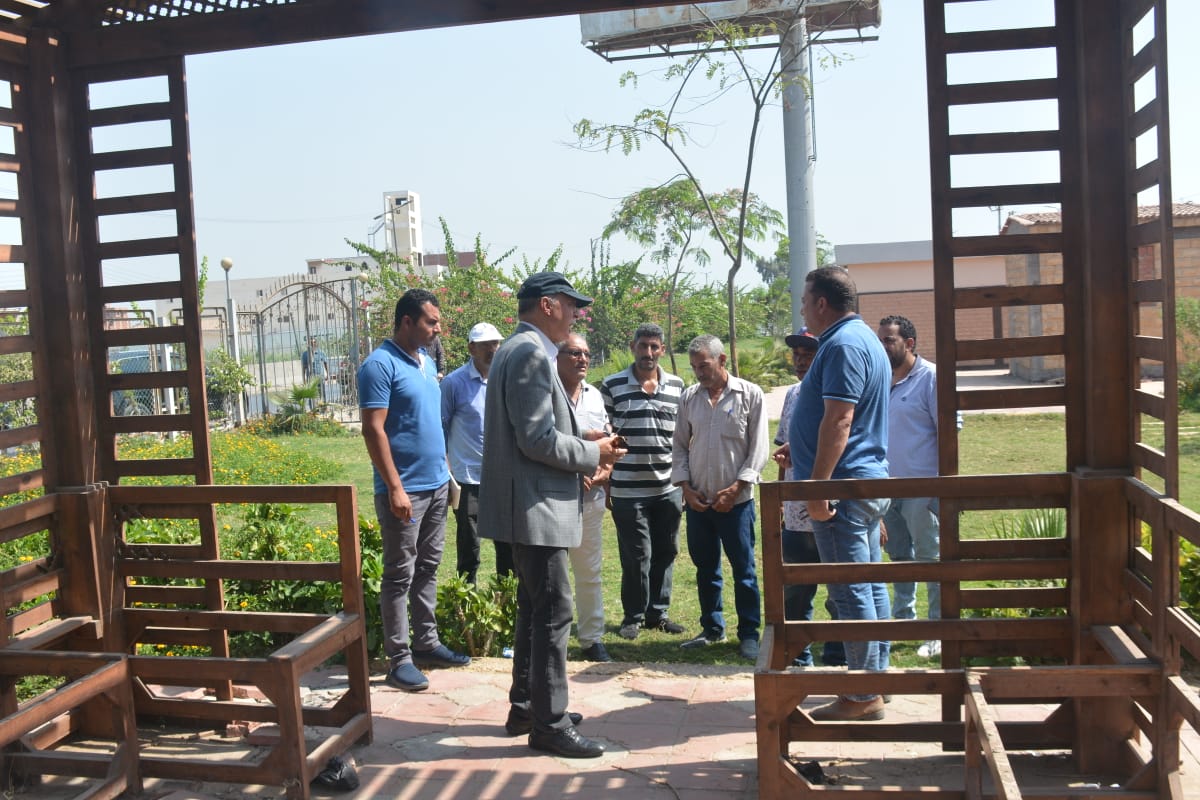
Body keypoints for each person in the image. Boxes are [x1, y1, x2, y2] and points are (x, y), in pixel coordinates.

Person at [478, 271, 624, 758]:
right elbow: (536, 440)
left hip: (528, 505)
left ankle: (528, 705)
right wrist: (594, 453)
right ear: (546, 305)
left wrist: (585, 440)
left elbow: (533, 431)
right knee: (555, 610)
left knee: (535, 608)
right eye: (570, 304)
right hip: (534, 508)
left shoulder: (519, 349)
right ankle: (550, 723)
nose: (576, 313)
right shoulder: (529, 353)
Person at [783, 266, 891, 722]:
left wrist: (817, 486)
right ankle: (877, 681)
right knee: (868, 585)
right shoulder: (861, 339)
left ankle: (862, 693)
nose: (803, 310)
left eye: (805, 301)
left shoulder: (843, 344)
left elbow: (841, 419)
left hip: (842, 487)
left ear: (822, 303)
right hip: (859, 481)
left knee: (850, 590)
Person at [358, 288, 471, 694]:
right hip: (405, 492)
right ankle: (399, 660)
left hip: (437, 485)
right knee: (399, 574)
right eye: (431, 322)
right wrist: (395, 488)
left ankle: (426, 644)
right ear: (407, 321)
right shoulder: (379, 365)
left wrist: (445, 470)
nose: (438, 329)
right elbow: (373, 429)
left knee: (428, 568)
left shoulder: (426, 361)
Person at [671, 334, 768, 662]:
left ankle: (749, 633)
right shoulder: (689, 397)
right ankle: (712, 628)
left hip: (736, 504)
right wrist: (685, 488)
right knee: (706, 568)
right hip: (699, 502)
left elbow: (758, 449)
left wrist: (737, 488)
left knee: (744, 570)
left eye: (704, 366)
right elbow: (679, 446)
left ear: (722, 360)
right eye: (695, 367)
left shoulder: (749, 394)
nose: (699, 373)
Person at [599, 323, 687, 642]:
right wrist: (607, 483)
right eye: (643, 346)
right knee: (637, 555)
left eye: (654, 346)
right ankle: (633, 616)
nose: (648, 352)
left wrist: (684, 482)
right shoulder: (612, 386)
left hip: (668, 487)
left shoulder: (677, 386)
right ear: (633, 347)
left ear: (662, 349)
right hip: (628, 488)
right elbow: (605, 438)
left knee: (666, 551)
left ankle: (658, 614)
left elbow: (684, 437)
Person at [878, 315, 956, 659]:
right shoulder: (880, 380)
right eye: (880, 340)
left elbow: (949, 432)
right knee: (899, 558)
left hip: (924, 488)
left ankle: (937, 630)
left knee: (931, 559)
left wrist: (941, 486)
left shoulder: (932, 378)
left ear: (909, 343)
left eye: (888, 340)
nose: (882, 346)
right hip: (886, 489)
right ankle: (903, 623)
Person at [771, 327, 845, 668]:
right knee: (796, 592)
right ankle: (799, 660)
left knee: (838, 592)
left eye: (808, 355)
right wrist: (782, 498)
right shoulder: (792, 395)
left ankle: (838, 658)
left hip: (831, 511)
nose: (800, 361)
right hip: (795, 515)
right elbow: (785, 452)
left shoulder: (837, 395)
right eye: (797, 355)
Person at [555, 333, 613, 663]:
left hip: (591, 499)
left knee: (589, 572)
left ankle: (592, 640)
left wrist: (604, 472)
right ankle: (555, 640)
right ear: (557, 356)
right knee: (554, 575)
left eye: (587, 353)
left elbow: (606, 443)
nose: (583, 359)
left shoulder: (594, 396)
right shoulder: (547, 394)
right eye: (575, 353)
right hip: (554, 501)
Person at [440, 321, 512, 585]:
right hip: (467, 476)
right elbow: (440, 427)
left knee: (508, 548)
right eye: (485, 345)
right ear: (471, 348)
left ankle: (507, 601)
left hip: (502, 476)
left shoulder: (506, 379)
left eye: (495, 343)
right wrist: (446, 472)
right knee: (469, 547)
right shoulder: (454, 383)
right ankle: (466, 600)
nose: (492, 349)